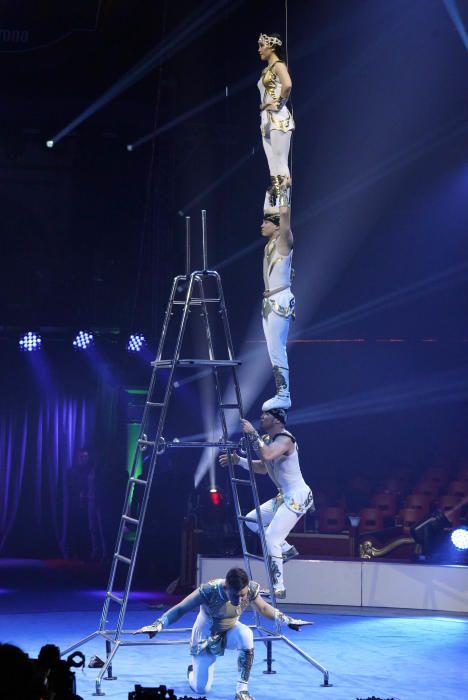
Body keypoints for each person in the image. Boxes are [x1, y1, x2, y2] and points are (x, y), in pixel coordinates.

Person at [134, 566, 312, 700]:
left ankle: (241, 690)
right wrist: (158, 625)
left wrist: (288, 621)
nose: (241, 599)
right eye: (237, 595)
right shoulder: (209, 590)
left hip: (230, 630)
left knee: (247, 635)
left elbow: (264, 608)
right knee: (201, 689)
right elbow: (181, 609)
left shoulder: (249, 589)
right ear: (226, 586)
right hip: (205, 637)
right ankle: (192, 672)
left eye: (243, 595)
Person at [220, 410, 314, 599]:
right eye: (261, 414)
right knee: (251, 520)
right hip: (284, 496)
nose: (261, 417)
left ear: (277, 420)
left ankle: (278, 586)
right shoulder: (268, 441)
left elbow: (268, 455)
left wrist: (253, 434)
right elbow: (264, 467)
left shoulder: (286, 439)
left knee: (271, 537)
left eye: (266, 415)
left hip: (298, 496)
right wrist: (239, 461)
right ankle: (286, 549)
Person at [261, 184, 294, 410]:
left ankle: (284, 394)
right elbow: (270, 210)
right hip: (269, 302)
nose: (261, 224)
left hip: (280, 300)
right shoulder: (270, 244)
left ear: (276, 227)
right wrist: (272, 187)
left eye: (265, 222)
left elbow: (283, 214)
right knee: (272, 350)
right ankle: (280, 391)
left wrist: (285, 191)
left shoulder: (284, 242)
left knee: (277, 349)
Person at [257, 32, 294, 209]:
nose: (259, 50)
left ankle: (283, 204)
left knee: (280, 162)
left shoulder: (278, 65)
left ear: (272, 46)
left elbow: (287, 84)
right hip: (266, 119)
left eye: (262, 45)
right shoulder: (266, 69)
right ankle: (278, 206)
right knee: (273, 167)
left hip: (278, 117)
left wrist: (278, 103)